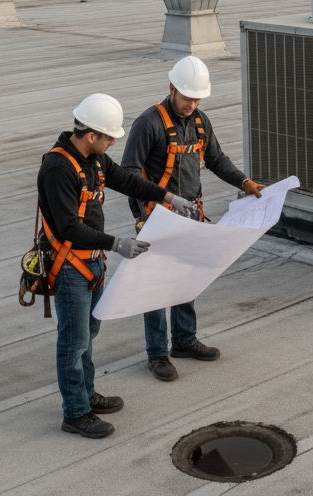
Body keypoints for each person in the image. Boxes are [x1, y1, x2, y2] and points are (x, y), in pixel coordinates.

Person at [37, 92, 197, 438]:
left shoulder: (93, 160)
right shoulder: (57, 167)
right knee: (74, 340)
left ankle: (87, 394)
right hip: (70, 268)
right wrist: (117, 244)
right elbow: (68, 228)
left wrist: (168, 197)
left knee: (88, 335)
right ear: (91, 135)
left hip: (91, 264)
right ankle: (76, 413)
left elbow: (128, 181)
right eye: (109, 137)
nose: (112, 143)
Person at [121, 56, 264, 382]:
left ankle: (184, 340)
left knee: (186, 278)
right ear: (172, 89)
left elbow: (216, 159)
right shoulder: (149, 123)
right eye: (187, 97)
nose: (192, 104)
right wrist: (147, 210)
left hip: (190, 216)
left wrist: (245, 182)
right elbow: (129, 172)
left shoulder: (200, 121)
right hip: (158, 218)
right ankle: (157, 354)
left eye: (198, 99)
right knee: (155, 287)